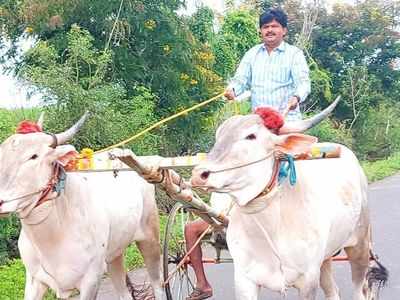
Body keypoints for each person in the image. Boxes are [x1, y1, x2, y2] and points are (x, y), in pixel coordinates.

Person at [184, 8, 311, 300]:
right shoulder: (252, 55)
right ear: (260, 31)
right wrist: (230, 90)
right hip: (252, 128)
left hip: (280, 125)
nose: (270, 31)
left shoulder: (293, 55)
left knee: (300, 171)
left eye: (275, 27)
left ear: (284, 31)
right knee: (230, 163)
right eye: (266, 27)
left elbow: (303, 82)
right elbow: (240, 81)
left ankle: (306, 222)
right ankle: (230, 216)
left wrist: (295, 97)